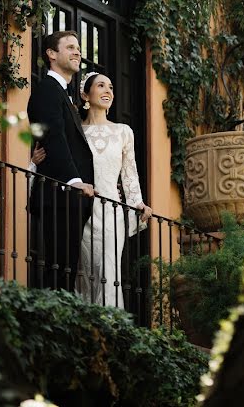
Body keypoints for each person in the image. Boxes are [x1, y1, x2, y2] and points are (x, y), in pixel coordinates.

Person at [74, 71, 153, 308]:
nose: (108, 91)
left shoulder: (123, 132)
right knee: (84, 272)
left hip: (111, 213)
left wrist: (137, 202)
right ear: (85, 95)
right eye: (101, 86)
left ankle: (110, 328)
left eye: (110, 87)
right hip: (82, 210)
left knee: (109, 272)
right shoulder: (76, 131)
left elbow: (130, 173)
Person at [27, 30, 95, 290]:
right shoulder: (47, 90)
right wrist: (75, 181)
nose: (77, 52)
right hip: (60, 195)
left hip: (70, 199)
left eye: (78, 47)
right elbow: (54, 137)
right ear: (52, 54)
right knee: (59, 271)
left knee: (65, 271)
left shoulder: (63, 93)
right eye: (70, 47)